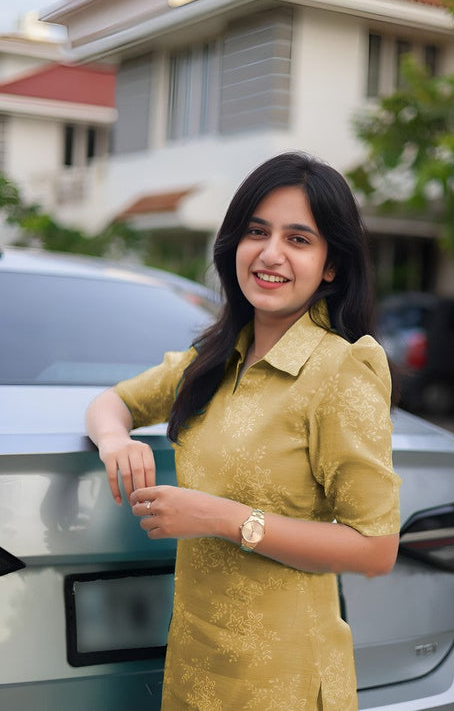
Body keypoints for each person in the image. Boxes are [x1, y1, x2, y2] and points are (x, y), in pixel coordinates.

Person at [86, 152, 401, 710]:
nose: (271, 254)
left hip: (285, 678)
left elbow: (375, 548)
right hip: (197, 663)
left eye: (299, 239)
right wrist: (116, 441)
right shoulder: (213, 357)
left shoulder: (340, 372)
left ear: (331, 265)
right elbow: (114, 403)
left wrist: (218, 517)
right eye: (258, 231)